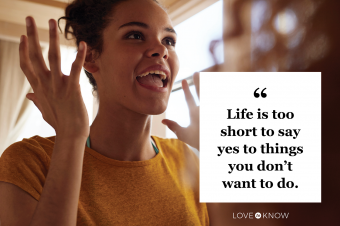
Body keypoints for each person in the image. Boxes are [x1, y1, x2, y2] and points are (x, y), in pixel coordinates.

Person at [0, 0, 206, 225]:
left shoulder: (191, 161)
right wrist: (70, 137)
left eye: (169, 40)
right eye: (135, 35)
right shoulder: (30, 161)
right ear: (90, 57)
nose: (162, 50)